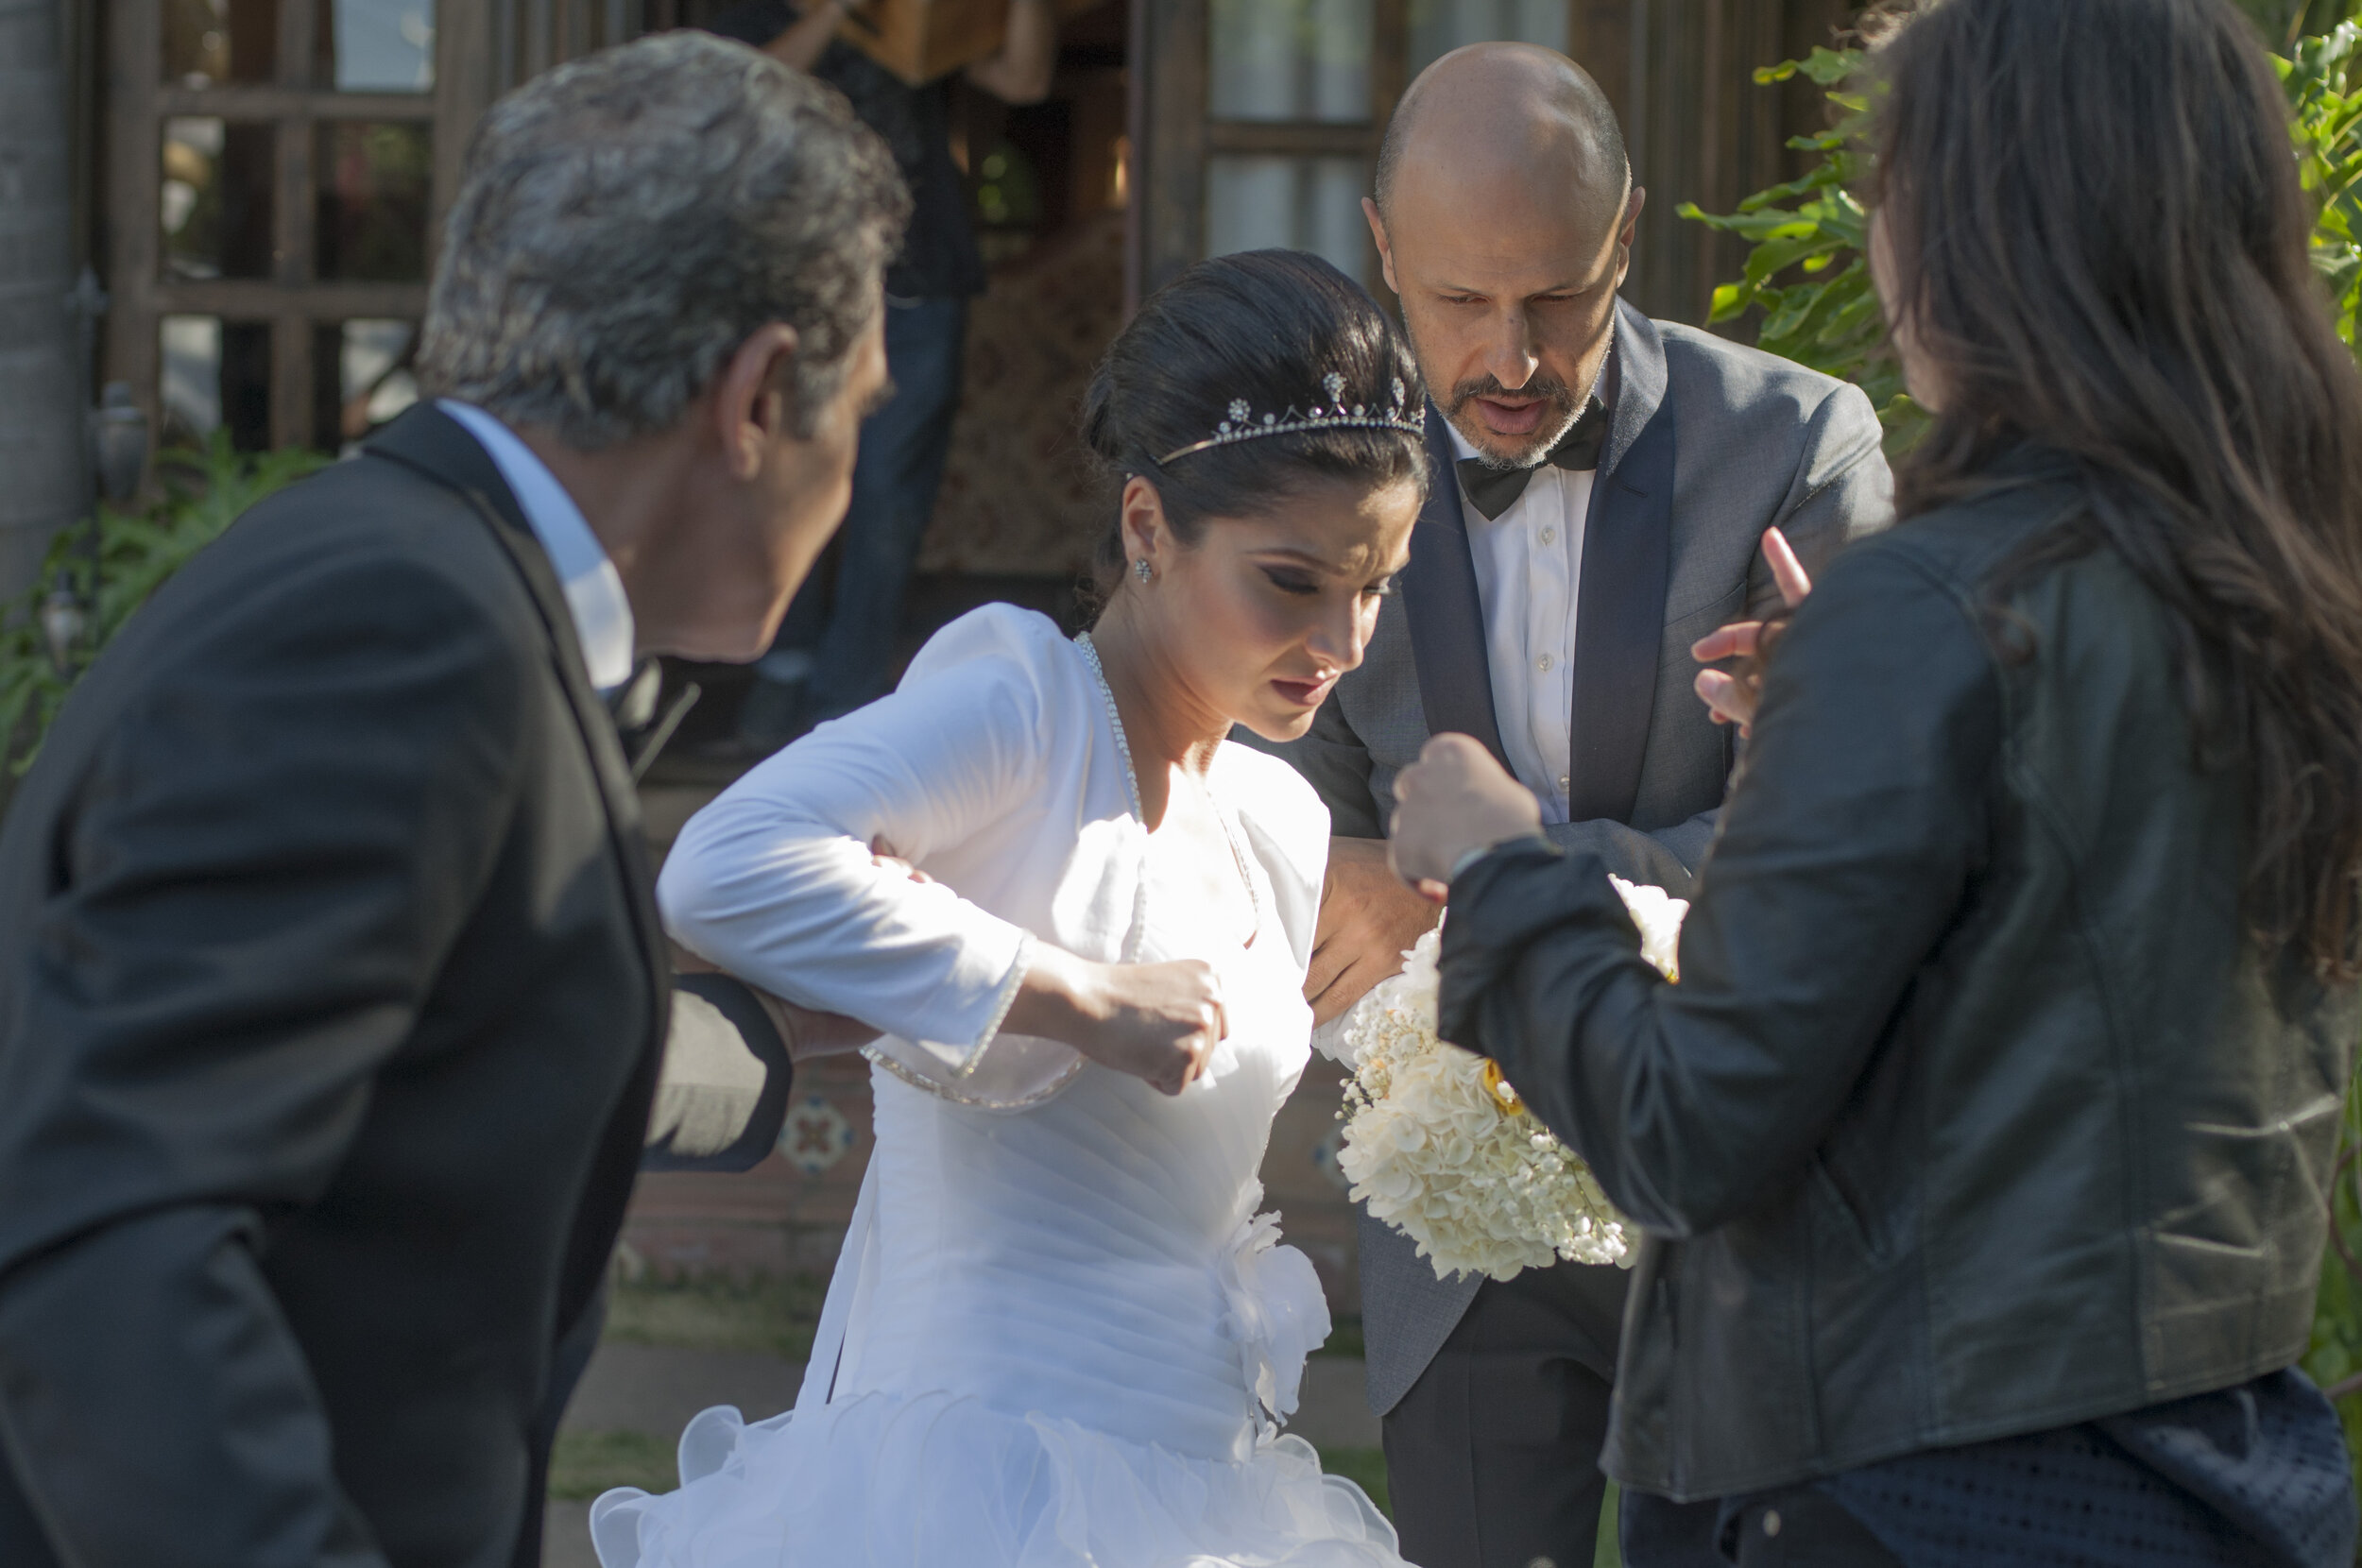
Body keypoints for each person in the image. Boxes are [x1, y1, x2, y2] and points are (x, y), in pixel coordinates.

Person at [1389, 0, 2362, 1563]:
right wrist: (1830, 744)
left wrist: (1505, 867)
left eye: (1891, 176)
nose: (1874, 222)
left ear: (1985, 228)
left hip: (1905, 1486)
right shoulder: (2285, 588)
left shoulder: (1925, 613)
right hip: (2215, 1468)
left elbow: (1686, 1128)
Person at [0, 34, 904, 1568]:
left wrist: (799, 1026)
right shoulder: (401, 635)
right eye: (865, 410)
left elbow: (431, 1048)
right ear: (755, 396)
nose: (858, 469)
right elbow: (114, 1243)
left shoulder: (410, 570)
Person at [588, 249, 1428, 1567]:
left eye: (1375, 584)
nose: (1343, 641)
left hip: (1209, 1496)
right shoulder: (1026, 710)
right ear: (1148, 529)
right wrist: (1073, 999)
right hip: (971, 1483)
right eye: (1293, 581)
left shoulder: (1280, 818)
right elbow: (726, 862)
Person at [1253, 42, 1892, 1568]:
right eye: (1460, 303)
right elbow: (1277, 814)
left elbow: (1825, 851)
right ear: (1383, 248)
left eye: (1557, 297)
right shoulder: (1303, 468)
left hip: (1741, 1204)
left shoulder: (1802, 448)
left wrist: (1479, 877)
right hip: (1453, 1215)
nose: (1512, 356)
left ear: (1630, 240)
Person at [707, 0, 1059, 748]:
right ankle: (780, 676)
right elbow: (743, 92)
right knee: (782, 482)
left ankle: (846, 704)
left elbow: (1023, 80)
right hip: (790, 282)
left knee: (888, 501)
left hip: (918, 277)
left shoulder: (921, 14)